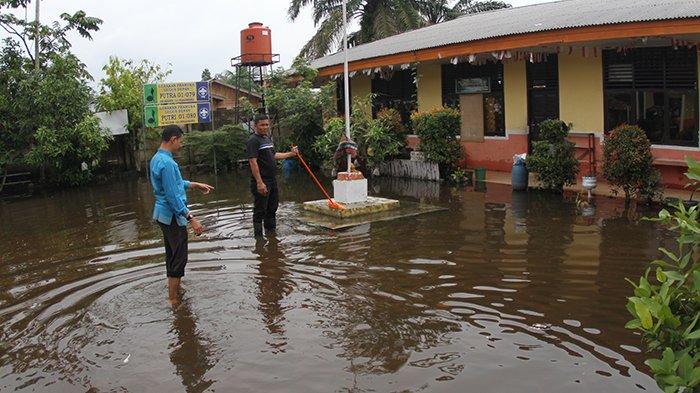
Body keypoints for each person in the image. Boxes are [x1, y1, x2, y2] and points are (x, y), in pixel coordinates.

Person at [150, 124, 214, 306]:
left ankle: (175, 290)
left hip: (162, 214)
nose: (181, 145)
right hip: (172, 216)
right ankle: (172, 298)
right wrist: (191, 218)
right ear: (173, 139)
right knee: (179, 257)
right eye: (180, 141)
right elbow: (172, 196)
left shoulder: (157, 158)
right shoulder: (168, 163)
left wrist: (194, 184)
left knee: (172, 254)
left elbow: (174, 184)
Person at [246, 114, 298, 237]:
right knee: (260, 210)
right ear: (255, 126)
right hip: (261, 181)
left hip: (272, 180)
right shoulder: (253, 140)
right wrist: (259, 182)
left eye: (267, 125)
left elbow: (274, 155)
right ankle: (258, 239)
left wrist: (291, 154)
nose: (265, 127)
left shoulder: (267, 139)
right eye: (262, 125)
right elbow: (253, 162)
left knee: (272, 208)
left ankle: (271, 234)